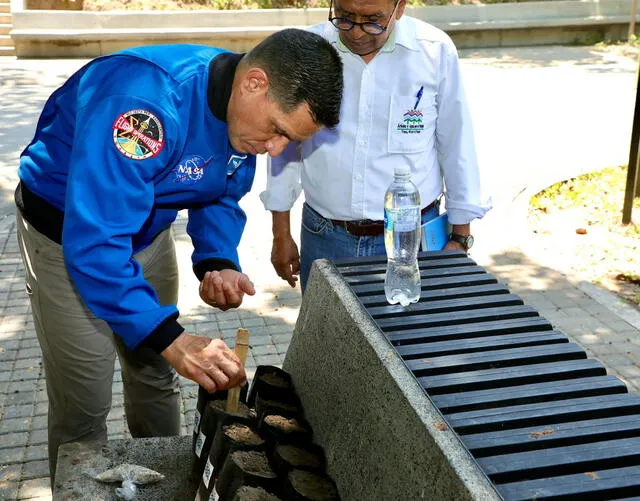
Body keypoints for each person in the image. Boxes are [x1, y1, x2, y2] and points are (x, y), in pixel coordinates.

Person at [14, 28, 343, 478]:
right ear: (255, 83)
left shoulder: (244, 114)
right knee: (84, 401)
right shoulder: (144, 107)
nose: (275, 150)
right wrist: (173, 339)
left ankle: (164, 481)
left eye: (290, 142)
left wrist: (217, 259)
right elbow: (95, 243)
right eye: (278, 132)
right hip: (67, 240)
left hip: (144, 235)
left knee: (155, 375)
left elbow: (222, 190)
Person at [261, 0, 491, 291]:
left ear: (400, 7)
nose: (356, 33)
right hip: (325, 237)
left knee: (411, 335)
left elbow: (457, 143)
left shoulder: (434, 50)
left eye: (373, 21)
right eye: (344, 17)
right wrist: (280, 232)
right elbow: (284, 146)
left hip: (412, 239)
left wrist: (460, 237)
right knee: (328, 335)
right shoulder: (306, 52)